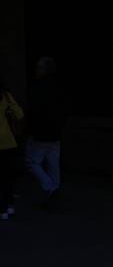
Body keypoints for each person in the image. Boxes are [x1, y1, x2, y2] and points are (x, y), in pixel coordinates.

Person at [25, 56, 65, 210]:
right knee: (53, 163)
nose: (36, 70)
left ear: (44, 70)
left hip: (41, 132)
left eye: (39, 67)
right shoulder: (59, 87)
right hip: (56, 132)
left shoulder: (38, 87)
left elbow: (34, 111)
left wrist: (29, 130)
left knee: (32, 162)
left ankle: (50, 188)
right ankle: (54, 188)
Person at [0, 81, 24, 220]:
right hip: (7, 141)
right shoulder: (6, 96)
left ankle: (2, 208)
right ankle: (9, 205)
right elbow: (19, 114)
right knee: (7, 176)